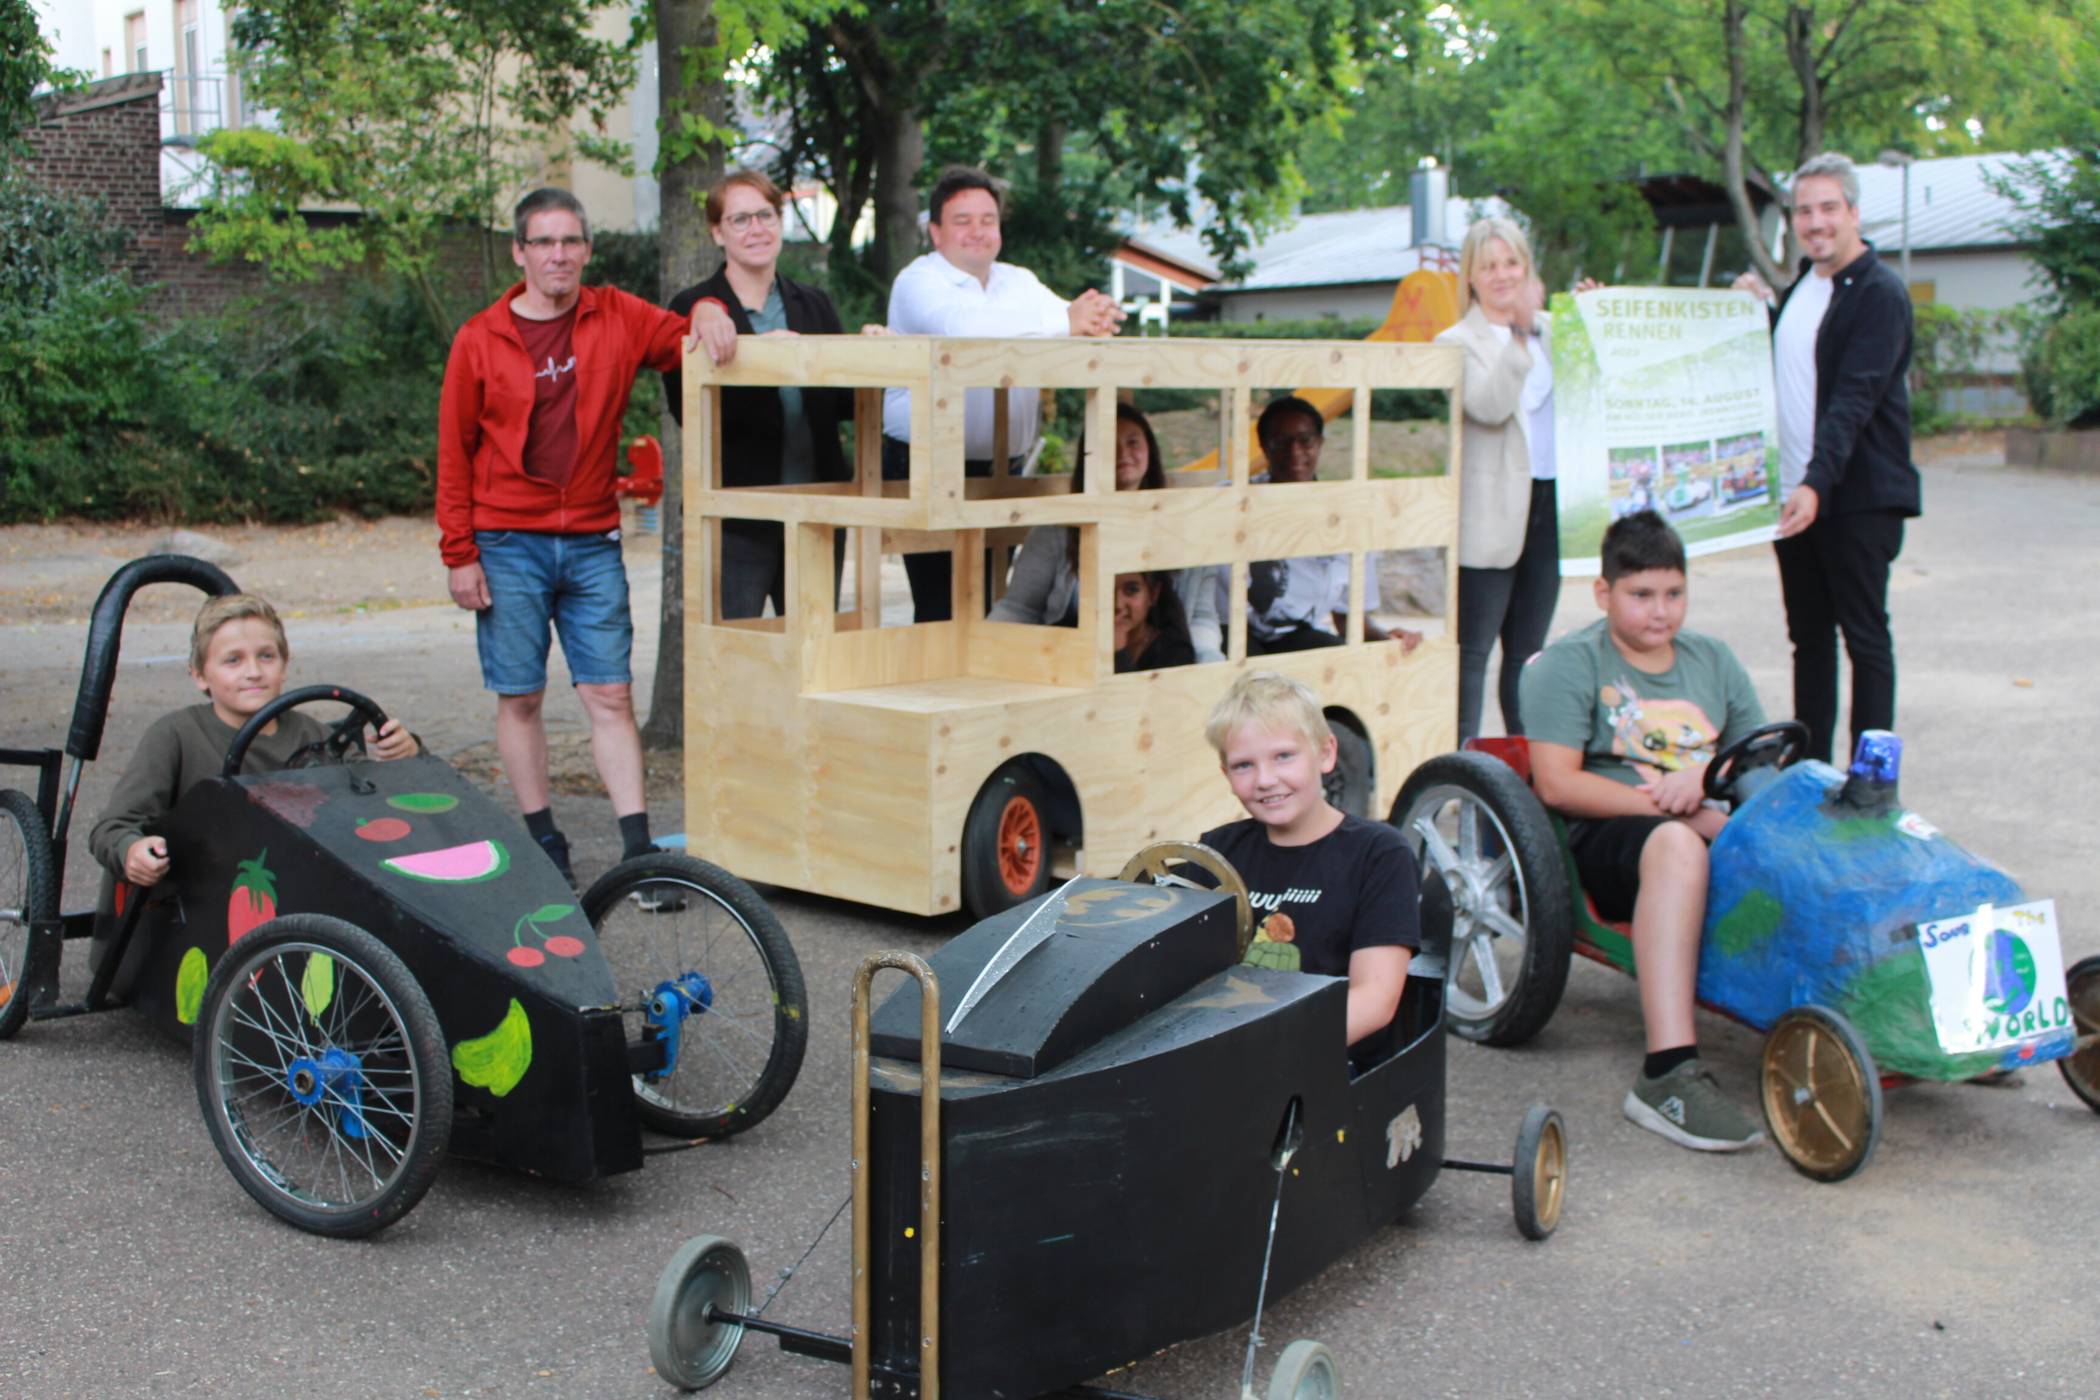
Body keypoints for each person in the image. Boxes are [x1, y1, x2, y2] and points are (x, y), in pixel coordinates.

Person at [437, 187, 714, 884]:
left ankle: (637, 851)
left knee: (610, 695)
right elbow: (452, 452)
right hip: (506, 541)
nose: (558, 255)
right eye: (544, 242)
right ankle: (543, 841)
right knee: (521, 695)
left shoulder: (616, 315)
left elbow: (683, 336)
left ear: (587, 250)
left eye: (570, 242)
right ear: (520, 252)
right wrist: (459, 553)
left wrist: (708, 308)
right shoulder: (480, 338)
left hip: (592, 539)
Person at [1517, 510, 1766, 1152]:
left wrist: (1707, 773)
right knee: (1680, 845)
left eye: (1674, 594)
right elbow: (1557, 784)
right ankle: (1666, 1074)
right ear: (1604, 594)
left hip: (1704, 818)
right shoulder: (1569, 665)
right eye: (1642, 595)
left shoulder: (1713, 658)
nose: (1661, 612)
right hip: (1606, 840)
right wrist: (1675, 807)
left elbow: (1759, 758)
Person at [1733, 151, 1919, 765]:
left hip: (1856, 496)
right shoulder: (1802, 291)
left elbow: (1853, 401)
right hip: (1797, 495)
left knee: (1864, 638)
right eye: (1804, 210)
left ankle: (1871, 779)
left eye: (1828, 208)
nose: (1815, 222)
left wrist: (1816, 482)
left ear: (1853, 213)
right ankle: (1809, 768)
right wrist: (1749, 310)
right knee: (1807, 638)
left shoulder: (1879, 293)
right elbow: (1787, 375)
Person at [881, 166, 1125, 622]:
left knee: (996, 600)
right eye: (962, 220)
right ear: (935, 232)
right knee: (943, 606)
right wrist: (1063, 323)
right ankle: (942, 693)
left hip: (1002, 467)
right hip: (926, 463)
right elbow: (967, 332)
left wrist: (1096, 314)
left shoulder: (1020, 282)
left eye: (987, 220)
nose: (978, 231)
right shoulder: (919, 281)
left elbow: (1071, 323)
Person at [89, 593, 421, 893]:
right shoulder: (176, 735)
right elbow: (113, 826)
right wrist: (131, 850)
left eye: (266, 656)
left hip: (302, 889)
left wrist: (405, 755)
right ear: (200, 674)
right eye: (233, 660)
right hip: (202, 898)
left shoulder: (314, 736)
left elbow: (381, 801)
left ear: (284, 665)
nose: (253, 672)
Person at [663, 169, 859, 619]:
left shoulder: (813, 303)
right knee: (734, 662)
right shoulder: (693, 307)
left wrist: (859, 349)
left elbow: (845, 402)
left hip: (815, 513)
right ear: (717, 232)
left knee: (813, 663)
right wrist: (766, 362)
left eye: (766, 215)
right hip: (736, 520)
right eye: (740, 219)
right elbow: (687, 410)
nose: (757, 229)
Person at [1199, 671, 1417, 1062]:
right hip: (1229, 1054)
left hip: (1330, 1062)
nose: (1266, 779)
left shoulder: (1380, 854)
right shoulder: (1216, 851)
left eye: (1283, 756)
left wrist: (1274, 1051)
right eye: (1244, 765)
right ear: (1225, 775)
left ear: (1325, 753)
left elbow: (1375, 998)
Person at [1436, 217, 1591, 742]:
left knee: (1527, 655)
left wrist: (1594, 316)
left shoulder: (1556, 328)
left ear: (1528, 268)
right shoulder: (1456, 340)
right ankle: (1461, 767)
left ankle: (1525, 773)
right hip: (1488, 516)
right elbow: (1488, 405)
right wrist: (1520, 337)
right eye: (1489, 266)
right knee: (1472, 654)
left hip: (1549, 503)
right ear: (1471, 277)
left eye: (1511, 263)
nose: (1502, 275)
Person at [987, 402, 1224, 660]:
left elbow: (1202, 617)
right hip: (1071, 666)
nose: (1122, 453)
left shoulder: (1186, 529)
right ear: (1089, 456)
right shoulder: (1057, 530)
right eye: (1108, 444)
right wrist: (991, 652)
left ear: (1150, 450)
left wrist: (1208, 663)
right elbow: (1019, 608)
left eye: (1132, 442)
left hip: (1163, 671)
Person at [1223, 396, 1423, 655]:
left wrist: (1390, 641)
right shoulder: (1231, 501)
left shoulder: (1346, 515)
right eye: (1281, 442)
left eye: (1305, 440)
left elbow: (1350, 621)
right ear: (1263, 446)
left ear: (1319, 443)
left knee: (1340, 663)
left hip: (1294, 637)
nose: (1294, 451)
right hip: (1230, 631)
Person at [1112, 572, 1196, 672]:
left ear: (1153, 594)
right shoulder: (1090, 640)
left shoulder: (1175, 651)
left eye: (1132, 590)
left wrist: (1120, 653)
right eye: (1107, 591)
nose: (1118, 604)